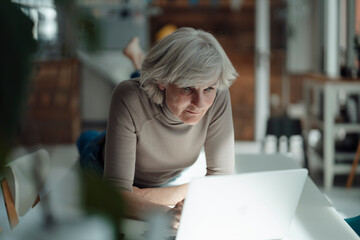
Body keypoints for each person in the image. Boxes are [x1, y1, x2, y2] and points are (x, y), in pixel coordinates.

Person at [77, 27, 238, 228]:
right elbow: (117, 193)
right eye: (188, 88)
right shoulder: (128, 96)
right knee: (86, 139)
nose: (200, 103)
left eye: (208, 88)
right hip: (98, 156)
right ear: (162, 81)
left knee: (148, 86)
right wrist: (167, 212)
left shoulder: (219, 95)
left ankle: (137, 57)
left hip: (162, 169)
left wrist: (143, 195)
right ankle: (138, 58)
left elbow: (222, 181)